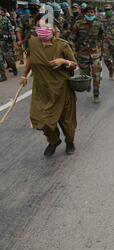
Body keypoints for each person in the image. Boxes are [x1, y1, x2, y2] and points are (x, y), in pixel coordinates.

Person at [20, 13, 78, 157]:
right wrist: (24, 75)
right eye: (39, 26)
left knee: (67, 122)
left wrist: (63, 62)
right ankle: (53, 141)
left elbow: (74, 65)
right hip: (42, 89)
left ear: (53, 28)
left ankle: (70, 142)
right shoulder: (32, 43)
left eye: (46, 26)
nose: (42, 29)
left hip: (62, 90)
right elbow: (29, 58)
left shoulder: (62, 45)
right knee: (39, 119)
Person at [70, 5, 104, 104]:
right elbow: (72, 39)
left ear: (95, 13)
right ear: (85, 13)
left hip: (95, 54)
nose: (90, 14)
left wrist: (101, 49)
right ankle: (87, 83)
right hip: (82, 54)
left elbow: (102, 37)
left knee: (96, 75)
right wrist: (73, 51)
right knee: (85, 75)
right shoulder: (78, 24)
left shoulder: (99, 24)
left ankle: (96, 94)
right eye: (88, 12)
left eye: (92, 12)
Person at [102, 4, 114, 81]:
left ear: (112, 10)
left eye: (109, 9)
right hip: (105, 43)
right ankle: (111, 69)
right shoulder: (102, 20)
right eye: (106, 10)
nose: (107, 11)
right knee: (106, 59)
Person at [0, 6, 17, 82]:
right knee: (0, 59)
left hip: (5, 42)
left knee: (8, 58)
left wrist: (14, 42)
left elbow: (11, 31)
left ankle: (13, 67)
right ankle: (3, 75)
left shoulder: (5, 20)